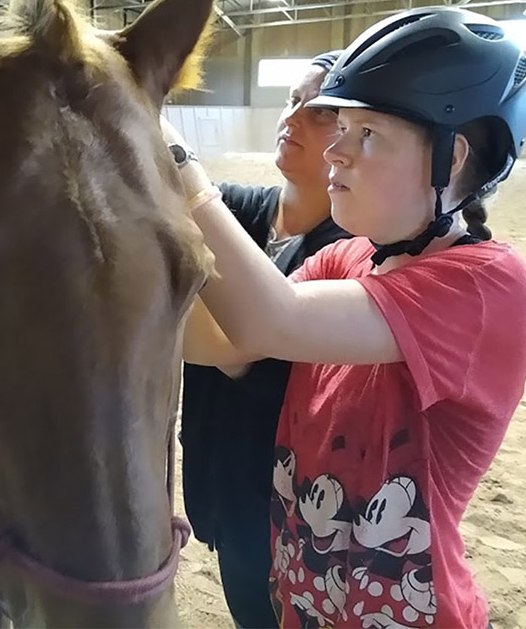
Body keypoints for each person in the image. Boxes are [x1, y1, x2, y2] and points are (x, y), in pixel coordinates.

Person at [168, 7, 526, 628]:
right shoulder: (348, 255)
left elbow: (269, 320)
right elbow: (230, 341)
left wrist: (175, 164)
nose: (335, 149)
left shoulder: (485, 286)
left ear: (450, 161)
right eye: (340, 125)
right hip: (302, 604)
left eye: (366, 134)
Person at [180, 51, 349, 629]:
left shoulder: (351, 253)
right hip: (222, 476)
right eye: (292, 100)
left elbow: (234, 350)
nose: (293, 117)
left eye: (319, 110)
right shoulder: (247, 212)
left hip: (286, 501)